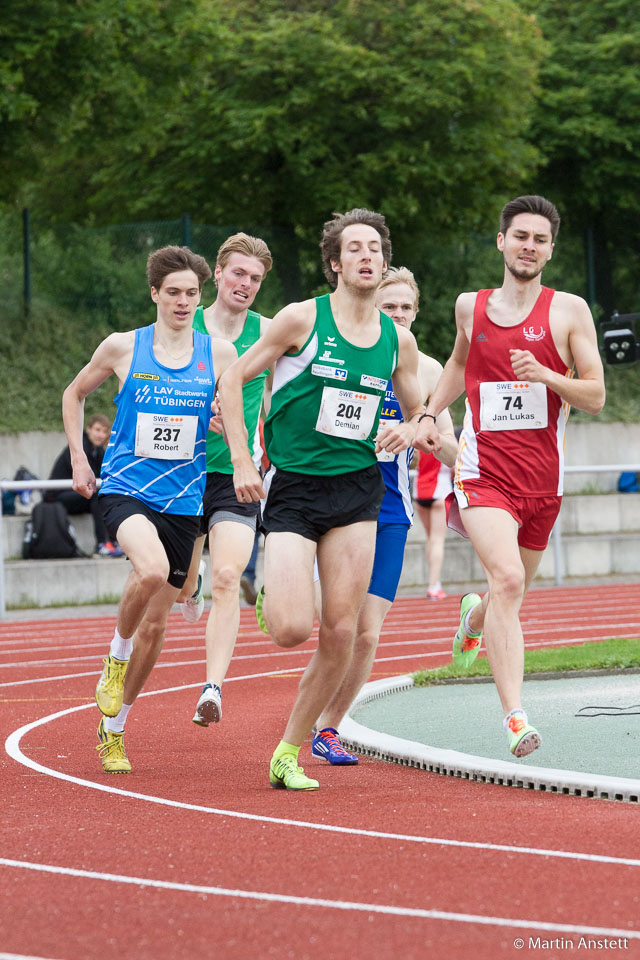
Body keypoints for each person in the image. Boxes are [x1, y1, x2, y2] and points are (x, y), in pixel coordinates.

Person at [218, 209, 430, 790]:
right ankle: (275, 592)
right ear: (335, 263)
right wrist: (241, 457)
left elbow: (421, 410)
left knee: (341, 631)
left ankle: (288, 749)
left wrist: (410, 430)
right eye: (354, 249)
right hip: (296, 487)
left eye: (375, 249)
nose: (367, 257)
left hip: (358, 488)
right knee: (291, 630)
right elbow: (234, 379)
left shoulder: (397, 341)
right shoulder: (300, 319)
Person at [414, 194, 605, 758]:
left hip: (543, 482)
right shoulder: (470, 307)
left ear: (551, 248)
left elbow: (594, 395)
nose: (529, 246)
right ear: (501, 242)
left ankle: (475, 613)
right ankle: (516, 718)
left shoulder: (569, 311)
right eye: (520, 235)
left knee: (505, 594)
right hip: (483, 474)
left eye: (540, 239)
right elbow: (455, 363)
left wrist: (547, 374)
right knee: (511, 582)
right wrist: (429, 412)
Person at [62, 245, 236, 773]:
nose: (184, 302)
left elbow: (225, 417)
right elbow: (74, 395)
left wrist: (218, 425)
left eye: (192, 293)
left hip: (185, 501)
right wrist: (77, 457)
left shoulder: (219, 354)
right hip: (126, 488)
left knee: (157, 628)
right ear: (155, 294)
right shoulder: (123, 347)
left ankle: (113, 729)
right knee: (151, 567)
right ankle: (114, 660)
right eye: (175, 292)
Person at [311, 266, 458, 764]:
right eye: (388, 307)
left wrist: (434, 439)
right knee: (336, 624)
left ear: (417, 312)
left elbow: (451, 445)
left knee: (367, 631)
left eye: (405, 309)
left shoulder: (431, 371)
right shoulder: (348, 353)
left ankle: (328, 727)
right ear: (373, 306)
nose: (397, 315)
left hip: (391, 507)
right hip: (334, 499)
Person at [174, 233, 273, 729]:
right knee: (183, 586)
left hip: (238, 476)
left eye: (255, 279)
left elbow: (287, 390)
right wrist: (201, 411)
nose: (246, 284)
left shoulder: (270, 332)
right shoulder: (183, 326)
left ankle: (212, 686)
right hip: (181, 472)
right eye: (239, 273)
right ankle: (187, 590)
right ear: (218, 273)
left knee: (229, 577)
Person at [45, 413, 123, 556]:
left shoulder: (98, 450)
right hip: (56, 497)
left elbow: (104, 474)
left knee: (108, 496)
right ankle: (101, 544)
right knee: (96, 495)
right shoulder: (79, 448)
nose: (101, 435)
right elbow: (90, 477)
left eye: (104, 431)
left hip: (79, 494)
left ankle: (114, 542)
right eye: (97, 430)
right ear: (88, 429)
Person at [413, 449, 453, 600]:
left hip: (420, 491)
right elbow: (455, 462)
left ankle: (435, 582)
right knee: (437, 540)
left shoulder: (418, 438)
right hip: (439, 490)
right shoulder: (442, 438)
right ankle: (434, 586)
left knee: (430, 538)